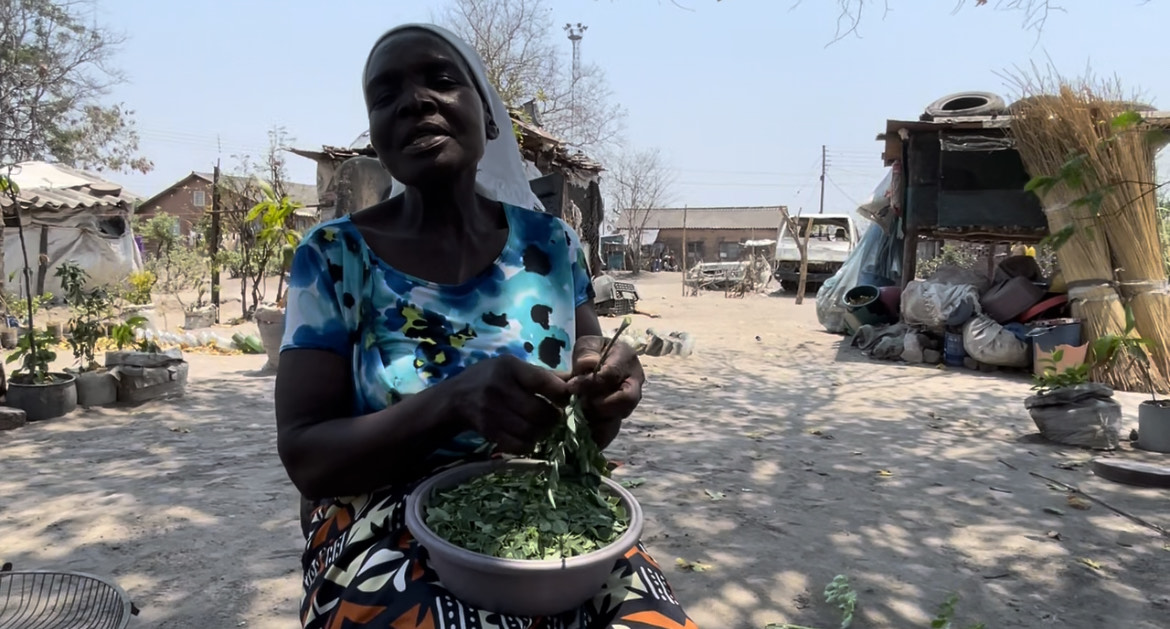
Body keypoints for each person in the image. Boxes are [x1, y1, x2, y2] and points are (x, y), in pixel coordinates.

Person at [275, 23, 696, 629]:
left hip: (547, 504)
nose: (415, 101)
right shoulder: (334, 257)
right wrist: (451, 404)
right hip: (379, 524)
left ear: (489, 118)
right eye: (386, 94)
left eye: (442, 81)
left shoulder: (551, 246)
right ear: (375, 135)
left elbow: (582, 412)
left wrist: (606, 395)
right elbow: (307, 457)